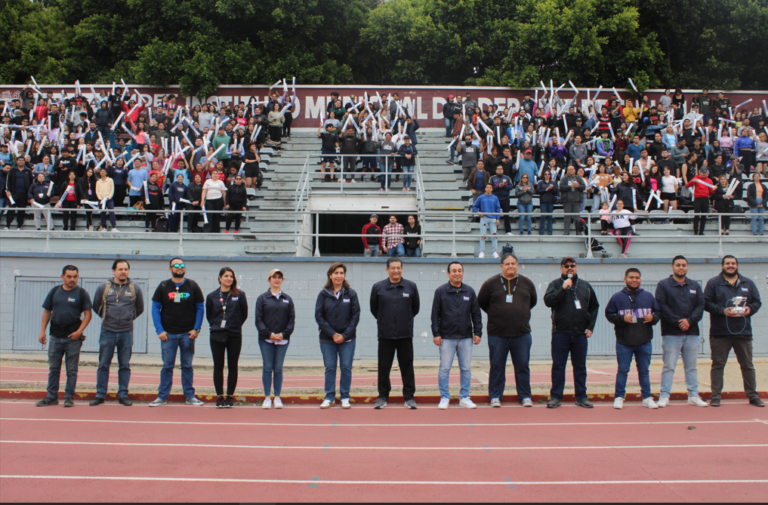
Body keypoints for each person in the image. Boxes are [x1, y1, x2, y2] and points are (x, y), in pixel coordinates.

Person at [478, 253, 538, 407]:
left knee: (523, 366)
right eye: (507, 264)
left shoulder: (527, 283)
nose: (511, 266)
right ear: (501, 266)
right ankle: (495, 396)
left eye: (513, 263)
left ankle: (525, 396)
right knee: (497, 366)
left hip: (522, 334)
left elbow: (532, 302)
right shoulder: (490, 284)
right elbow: (482, 303)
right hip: (497, 334)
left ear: (517, 265)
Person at [704, 255, 763, 407]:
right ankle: (716, 396)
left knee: (747, 365)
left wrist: (750, 309)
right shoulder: (713, 283)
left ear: (737, 265)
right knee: (718, 365)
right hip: (720, 332)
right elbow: (706, 303)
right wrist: (723, 311)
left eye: (733, 263)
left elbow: (757, 302)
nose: (730, 266)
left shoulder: (747, 283)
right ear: (722, 265)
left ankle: (753, 396)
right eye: (727, 263)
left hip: (743, 332)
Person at [543, 257, 600, 409]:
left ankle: (581, 396)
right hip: (560, 333)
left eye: (572, 266)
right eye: (566, 266)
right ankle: (556, 397)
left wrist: (591, 326)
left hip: (580, 334)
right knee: (559, 366)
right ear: (561, 268)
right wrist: (563, 289)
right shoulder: (555, 284)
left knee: (580, 367)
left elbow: (594, 306)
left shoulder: (585, 286)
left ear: (576, 267)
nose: (570, 268)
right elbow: (548, 301)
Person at [149, 258, 205, 407]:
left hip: (188, 335)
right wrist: (160, 330)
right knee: (167, 366)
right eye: (176, 266)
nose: (179, 268)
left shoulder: (193, 286)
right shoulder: (163, 286)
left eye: (182, 265)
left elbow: (200, 308)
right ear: (170, 269)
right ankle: (162, 396)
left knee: (187, 366)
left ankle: (190, 396)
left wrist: (196, 329)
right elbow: (155, 309)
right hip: (168, 335)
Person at [35, 265, 93, 407]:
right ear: (62, 277)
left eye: (75, 276)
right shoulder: (54, 292)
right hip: (55, 337)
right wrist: (42, 331)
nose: (72, 279)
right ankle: (51, 396)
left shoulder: (82, 294)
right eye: (69, 276)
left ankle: (68, 397)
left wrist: (79, 332)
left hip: (72, 338)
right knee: (54, 368)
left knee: (71, 370)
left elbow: (88, 314)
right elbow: (47, 312)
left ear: (77, 277)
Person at [654, 255, 707, 408]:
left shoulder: (695, 286)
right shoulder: (664, 285)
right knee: (669, 366)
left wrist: (689, 321)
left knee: (691, 367)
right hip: (671, 333)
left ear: (687, 267)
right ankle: (664, 395)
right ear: (673, 267)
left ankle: (693, 395)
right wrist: (679, 322)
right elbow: (662, 306)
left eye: (683, 265)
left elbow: (700, 306)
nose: (681, 267)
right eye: (678, 265)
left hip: (692, 333)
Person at [89, 260, 144, 406]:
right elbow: (96, 306)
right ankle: (100, 394)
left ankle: (123, 394)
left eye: (126, 269)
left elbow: (139, 308)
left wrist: (127, 318)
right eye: (120, 269)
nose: (123, 272)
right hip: (108, 331)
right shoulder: (104, 287)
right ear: (113, 271)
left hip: (126, 332)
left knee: (124, 365)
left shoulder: (135, 288)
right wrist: (108, 317)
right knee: (103, 364)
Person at [605, 268, 661, 410]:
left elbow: (658, 312)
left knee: (644, 371)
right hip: (624, 342)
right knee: (623, 370)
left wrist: (653, 318)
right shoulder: (617, 297)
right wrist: (622, 318)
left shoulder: (648, 296)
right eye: (631, 277)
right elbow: (609, 314)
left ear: (640, 279)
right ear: (625, 279)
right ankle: (619, 397)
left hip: (644, 341)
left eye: (637, 277)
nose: (634, 280)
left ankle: (647, 397)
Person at [369, 258, 420, 409]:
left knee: (407, 366)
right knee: (384, 368)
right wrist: (385, 320)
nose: (396, 270)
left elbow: (415, 309)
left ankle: (409, 397)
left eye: (398, 268)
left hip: (405, 334)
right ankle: (383, 397)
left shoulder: (411, 287)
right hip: (385, 335)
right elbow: (374, 309)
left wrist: (405, 321)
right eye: (392, 268)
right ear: (387, 270)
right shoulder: (378, 287)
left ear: (402, 269)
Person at [431, 261, 482, 409]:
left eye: (460, 270)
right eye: (454, 271)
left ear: (463, 273)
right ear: (448, 274)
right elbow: (435, 315)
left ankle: (464, 397)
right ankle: (444, 397)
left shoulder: (469, 291)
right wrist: (436, 333)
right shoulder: (441, 291)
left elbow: (476, 314)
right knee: (444, 368)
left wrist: (477, 332)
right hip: (446, 337)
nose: (457, 273)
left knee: (466, 369)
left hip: (466, 337)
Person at [315, 262, 361, 409]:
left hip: (347, 339)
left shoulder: (351, 293)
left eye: (341, 273)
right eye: (336, 273)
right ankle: (329, 397)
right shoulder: (323, 294)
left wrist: (344, 335)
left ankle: (345, 396)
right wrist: (333, 334)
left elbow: (355, 316)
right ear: (330, 275)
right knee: (330, 367)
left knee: (346, 367)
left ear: (344, 275)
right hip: (327, 339)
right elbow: (319, 316)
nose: (339, 276)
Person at [205, 267, 249, 408]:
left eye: (231, 276)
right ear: (220, 278)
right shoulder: (212, 296)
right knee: (218, 366)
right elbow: (209, 315)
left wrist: (234, 325)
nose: (229, 278)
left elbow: (244, 314)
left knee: (232, 365)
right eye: (226, 276)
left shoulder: (239, 295)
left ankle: (230, 396)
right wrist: (218, 326)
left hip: (234, 334)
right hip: (217, 335)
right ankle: (219, 396)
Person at [255, 268, 295, 409]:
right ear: (269, 280)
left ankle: (277, 396)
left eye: (279, 277)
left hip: (283, 340)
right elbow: (258, 320)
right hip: (266, 340)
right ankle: (267, 397)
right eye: (274, 277)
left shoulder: (287, 299)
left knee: (278, 368)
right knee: (267, 367)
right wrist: (269, 334)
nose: (277, 279)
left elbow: (291, 320)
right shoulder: (262, 299)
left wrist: (284, 334)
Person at [472, 183, 501, 259]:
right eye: (487, 187)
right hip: (484, 218)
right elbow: (474, 206)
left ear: (492, 189)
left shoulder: (495, 198)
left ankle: (495, 251)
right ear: (485, 189)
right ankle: (482, 252)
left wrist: (498, 218)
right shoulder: (481, 197)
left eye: (490, 187)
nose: (488, 189)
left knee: (494, 235)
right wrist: (478, 212)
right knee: (483, 235)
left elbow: (498, 209)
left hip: (493, 218)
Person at [686, 166, 715, 235]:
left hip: (705, 199)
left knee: (704, 216)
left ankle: (701, 231)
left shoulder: (709, 180)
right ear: (700, 172)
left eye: (705, 173)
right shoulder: (696, 178)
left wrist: (714, 190)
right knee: (697, 215)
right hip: (698, 198)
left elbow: (712, 192)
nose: (704, 174)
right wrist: (692, 181)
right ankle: (695, 231)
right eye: (703, 172)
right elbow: (687, 185)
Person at [559, 165, 586, 235]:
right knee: (567, 216)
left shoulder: (579, 178)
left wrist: (578, 186)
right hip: (567, 200)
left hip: (577, 200)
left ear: (575, 170)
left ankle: (578, 231)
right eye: (569, 169)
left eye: (572, 169)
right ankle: (566, 231)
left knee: (576, 217)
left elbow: (584, 187)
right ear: (567, 171)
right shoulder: (564, 178)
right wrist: (570, 186)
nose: (571, 170)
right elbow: (561, 188)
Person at [201, 169, 227, 233]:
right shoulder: (207, 181)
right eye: (214, 173)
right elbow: (204, 191)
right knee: (209, 214)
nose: (215, 175)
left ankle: (216, 230)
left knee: (216, 215)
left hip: (218, 199)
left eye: (216, 173)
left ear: (218, 175)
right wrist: (202, 200)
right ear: (211, 175)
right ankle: (208, 230)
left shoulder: (220, 182)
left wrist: (225, 203)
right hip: (209, 199)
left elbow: (223, 193)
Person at [491, 164, 514, 235]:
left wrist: (504, 186)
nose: (500, 170)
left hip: (505, 199)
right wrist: (498, 187)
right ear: (496, 170)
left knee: (506, 215)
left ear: (503, 170)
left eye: (501, 168)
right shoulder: (492, 178)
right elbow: (490, 188)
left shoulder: (507, 178)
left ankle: (508, 231)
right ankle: (494, 231)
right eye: (498, 169)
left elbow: (511, 187)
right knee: (495, 215)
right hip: (496, 199)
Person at [95, 167, 118, 232]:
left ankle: (113, 227)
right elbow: (97, 191)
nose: (102, 172)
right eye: (101, 171)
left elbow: (112, 189)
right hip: (101, 200)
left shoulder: (110, 180)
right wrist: (101, 198)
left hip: (109, 199)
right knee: (102, 213)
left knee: (111, 212)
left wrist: (108, 197)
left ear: (106, 173)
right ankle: (104, 227)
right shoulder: (98, 181)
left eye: (104, 171)